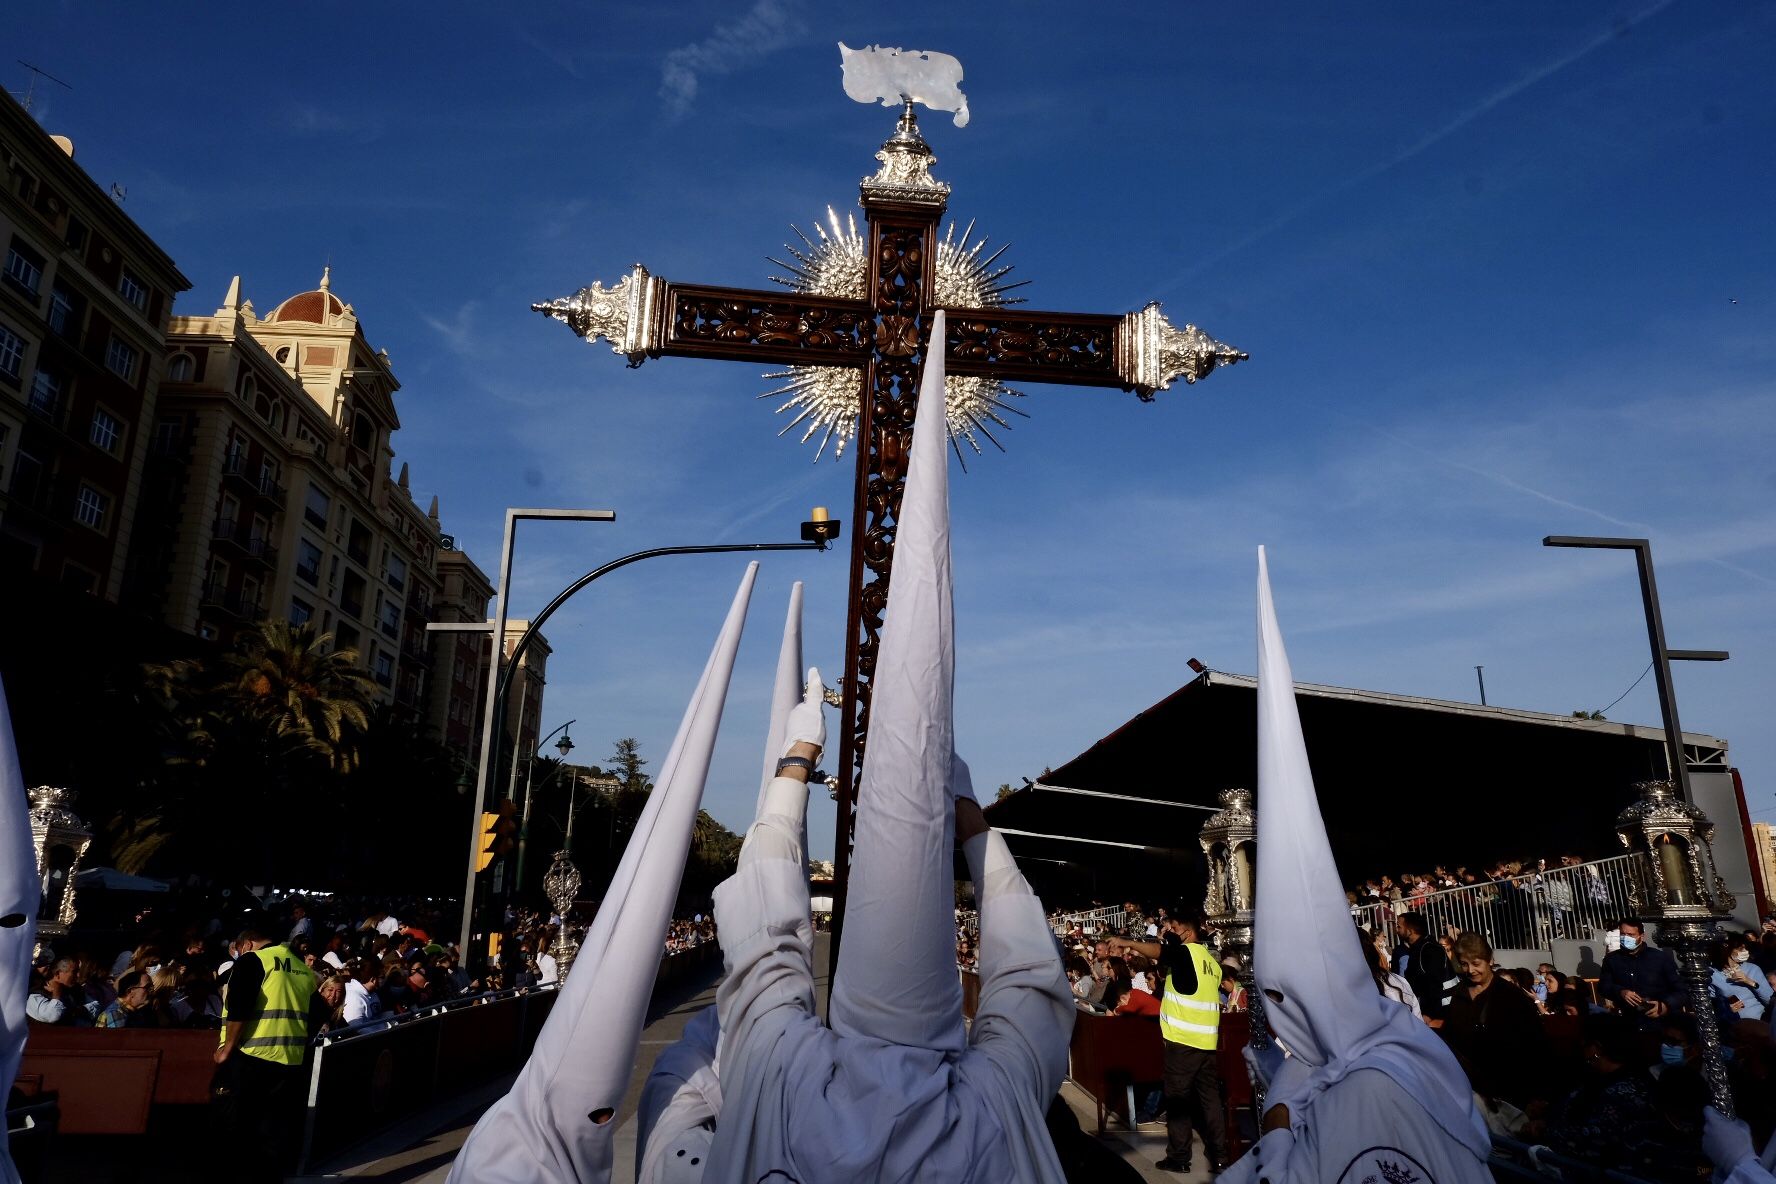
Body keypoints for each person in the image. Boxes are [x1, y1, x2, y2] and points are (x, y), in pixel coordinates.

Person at [1223, 549, 1492, 1184]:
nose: (1279, 1011)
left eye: (1284, 997)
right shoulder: (1384, 1056)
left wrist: (1280, 1132)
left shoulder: (1365, 1090)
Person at [1113, 915, 1229, 1173]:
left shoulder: (1185, 953)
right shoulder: (1211, 961)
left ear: (1187, 933)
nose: (1169, 931)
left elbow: (1158, 950)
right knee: (1210, 1101)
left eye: (1175, 928)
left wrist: (1126, 942)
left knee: (1177, 1101)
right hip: (1207, 1041)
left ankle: (1179, 1157)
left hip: (1183, 1040)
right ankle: (1221, 1156)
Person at [212, 925, 321, 1180]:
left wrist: (226, 1049)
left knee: (234, 1129)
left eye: (237, 949)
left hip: (252, 1058)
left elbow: (239, 1007)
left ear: (247, 943)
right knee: (272, 1132)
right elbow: (316, 1013)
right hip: (290, 1061)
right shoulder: (302, 969)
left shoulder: (255, 961)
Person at [1439, 932, 1551, 1120]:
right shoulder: (1459, 993)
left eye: (1476, 963)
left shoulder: (1511, 997)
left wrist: (1538, 1097)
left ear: (1490, 960)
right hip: (1468, 1092)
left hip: (1509, 1093)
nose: (1470, 970)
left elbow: (1536, 1046)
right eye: (1464, 964)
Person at [1599, 919, 1683, 1028]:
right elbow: (1603, 987)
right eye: (1623, 934)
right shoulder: (1611, 960)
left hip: (1659, 1024)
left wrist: (1665, 1005)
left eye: (1631, 935)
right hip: (1628, 1023)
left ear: (1641, 936)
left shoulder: (1660, 958)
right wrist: (1620, 992)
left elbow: (1681, 990)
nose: (1625, 938)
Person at [1396, 910, 1459, 1021]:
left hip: (1444, 1012)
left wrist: (1429, 1014)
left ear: (1410, 931)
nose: (1396, 930)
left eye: (1399, 927)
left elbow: (1435, 982)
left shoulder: (1430, 949)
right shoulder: (1418, 949)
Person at [1717, 935, 1775, 1024]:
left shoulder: (1753, 968)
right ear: (1727, 950)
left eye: (1746, 948)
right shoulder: (1714, 974)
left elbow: (1771, 1000)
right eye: (1740, 949)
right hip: (1735, 1026)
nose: (1745, 952)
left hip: (1761, 1022)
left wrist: (1750, 982)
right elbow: (1712, 1006)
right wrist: (1728, 1010)